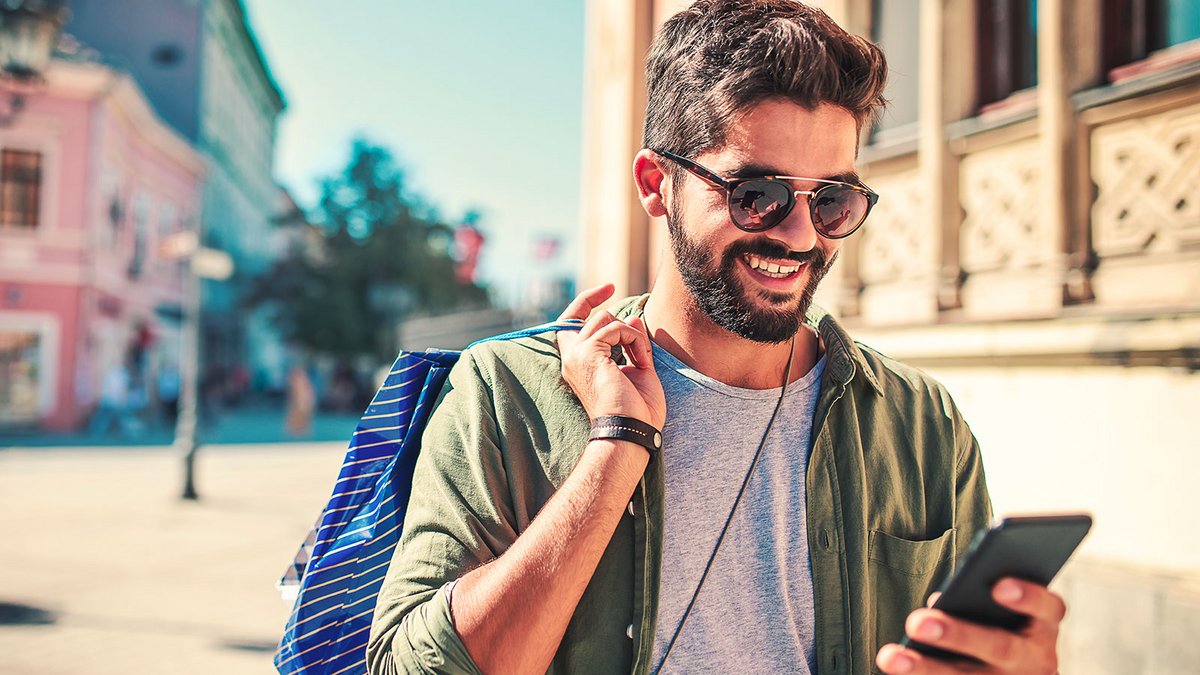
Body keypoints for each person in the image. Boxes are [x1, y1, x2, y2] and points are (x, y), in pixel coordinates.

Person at [368, 2, 1067, 674]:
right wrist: (615, 447)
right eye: (755, 195)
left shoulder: (920, 424)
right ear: (655, 183)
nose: (799, 236)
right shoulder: (507, 392)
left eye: (832, 201)